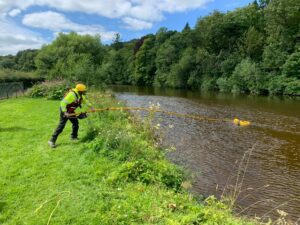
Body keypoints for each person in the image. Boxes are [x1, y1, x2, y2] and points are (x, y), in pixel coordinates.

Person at [48, 83, 94, 148]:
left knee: (75, 123)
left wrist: (91, 107)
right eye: (83, 91)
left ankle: (74, 137)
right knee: (61, 125)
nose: (84, 92)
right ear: (80, 91)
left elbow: (85, 101)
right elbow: (63, 102)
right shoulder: (72, 95)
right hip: (64, 111)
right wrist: (64, 112)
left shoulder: (81, 96)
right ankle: (51, 141)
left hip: (71, 111)